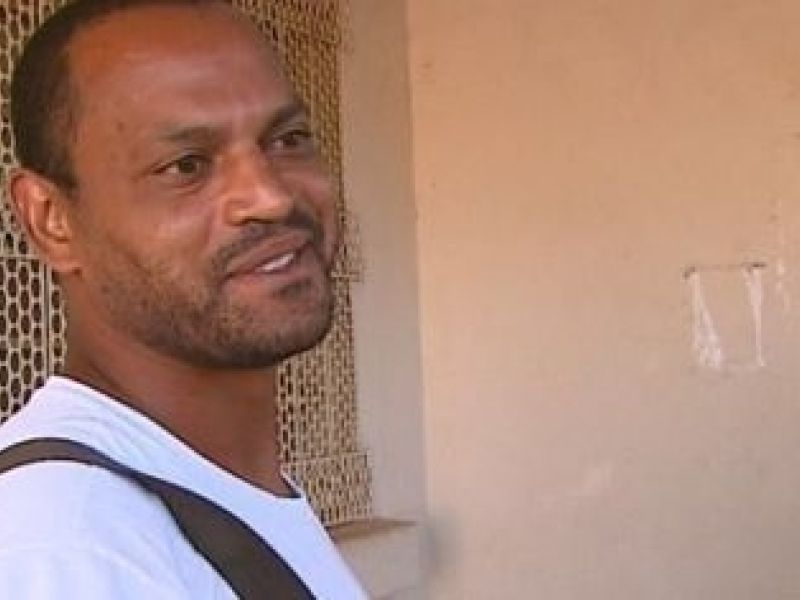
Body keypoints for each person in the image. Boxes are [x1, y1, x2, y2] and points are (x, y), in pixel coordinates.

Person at [0, 0, 367, 597]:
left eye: (288, 139)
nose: (270, 197)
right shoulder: (67, 547)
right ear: (51, 220)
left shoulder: (217, 486)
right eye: (186, 166)